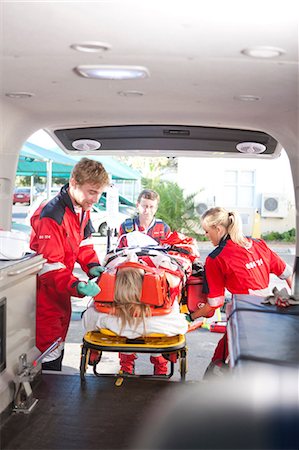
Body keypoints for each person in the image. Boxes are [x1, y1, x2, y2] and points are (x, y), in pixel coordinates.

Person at [187, 207, 293, 373]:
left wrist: (190, 317)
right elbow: (287, 273)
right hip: (271, 317)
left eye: (207, 231)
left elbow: (215, 303)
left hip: (244, 319)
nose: (206, 236)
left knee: (221, 364)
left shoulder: (216, 258)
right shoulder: (258, 244)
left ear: (218, 229)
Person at [30, 158, 110, 371]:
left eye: (99, 193)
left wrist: (92, 265)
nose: (95, 199)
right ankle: (46, 401)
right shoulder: (52, 215)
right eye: (92, 192)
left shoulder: (82, 207)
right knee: (47, 353)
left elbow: (83, 243)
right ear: (74, 183)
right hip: (45, 295)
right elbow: (48, 268)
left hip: (61, 293)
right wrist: (78, 286)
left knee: (58, 345)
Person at [82, 241, 190, 375]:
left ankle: (126, 366)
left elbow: (87, 320)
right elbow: (182, 326)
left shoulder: (101, 318)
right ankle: (160, 365)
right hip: (156, 333)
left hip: (115, 332)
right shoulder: (167, 320)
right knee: (162, 330)